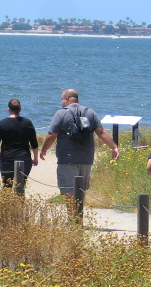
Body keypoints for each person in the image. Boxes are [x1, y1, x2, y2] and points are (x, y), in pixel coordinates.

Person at [40, 89, 119, 218]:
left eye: (62, 99)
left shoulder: (61, 114)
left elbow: (51, 135)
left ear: (66, 99)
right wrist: (114, 147)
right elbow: (101, 132)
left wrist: (43, 150)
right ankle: (78, 217)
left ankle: (73, 218)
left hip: (67, 159)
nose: (61, 102)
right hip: (86, 158)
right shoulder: (90, 113)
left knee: (69, 190)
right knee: (81, 189)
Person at [0, 99, 39, 192]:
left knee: (7, 187)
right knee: (20, 187)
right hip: (24, 159)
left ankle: (7, 206)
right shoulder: (27, 123)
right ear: (20, 109)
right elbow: (34, 143)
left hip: (7, 159)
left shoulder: (2, 123)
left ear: (8, 109)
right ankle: (19, 205)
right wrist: (35, 158)